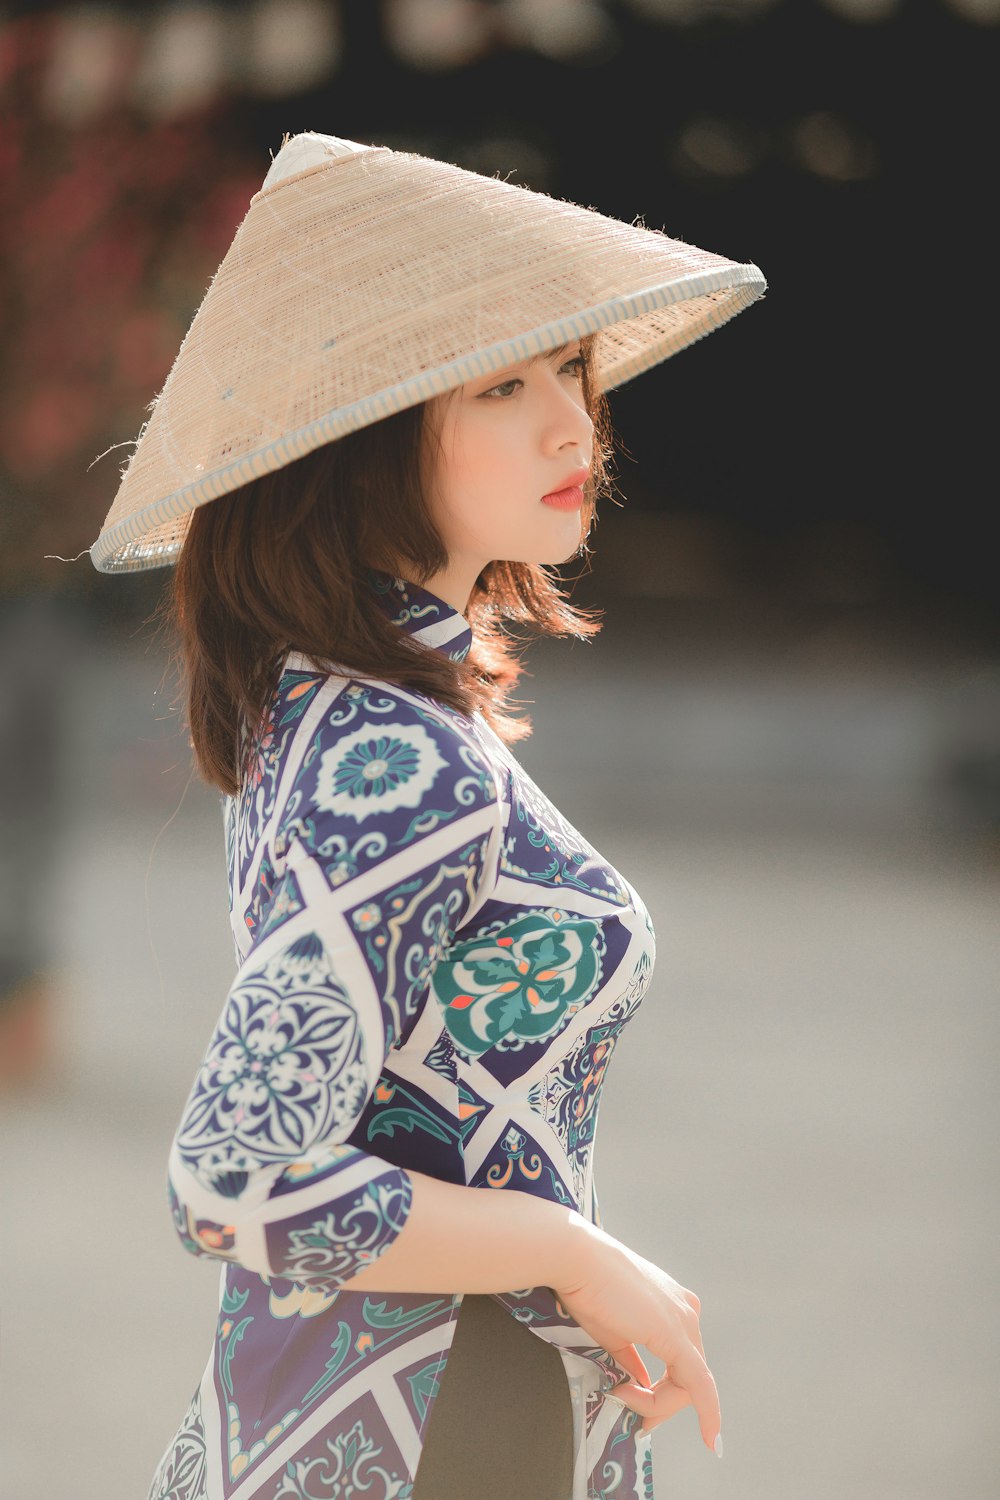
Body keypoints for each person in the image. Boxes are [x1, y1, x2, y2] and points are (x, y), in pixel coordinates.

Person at [89, 130, 765, 1500]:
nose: (573, 422)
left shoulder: (333, 703)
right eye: (501, 385)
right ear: (361, 436)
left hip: (385, 1403)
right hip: (434, 1425)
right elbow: (237, 1181)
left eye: (568, 366)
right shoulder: (397, 759)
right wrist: (573, 1253)